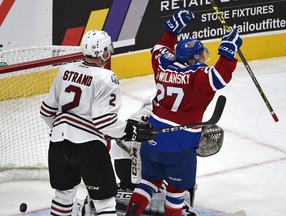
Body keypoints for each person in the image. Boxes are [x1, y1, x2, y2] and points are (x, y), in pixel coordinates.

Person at [125, 8, 242, 216]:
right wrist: (228, 50)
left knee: (148, 182)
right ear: (190, 60)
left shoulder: (162, 65)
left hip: (152, 139)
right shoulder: (198, 76)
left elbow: (159, 47)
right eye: (199, 56)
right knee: (176, 192)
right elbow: (221, 76)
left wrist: (172, 31)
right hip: (181, 145)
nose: (202, 59)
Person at [39, 30, 153, 216]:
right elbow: (104, 122)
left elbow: (46, 111)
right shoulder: (107, 78)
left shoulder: (64, 70)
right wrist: (129, 131)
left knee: (63, 196)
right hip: (89, 149)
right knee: (104, 202)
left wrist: (61, 129)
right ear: (104, 52)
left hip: (58, 145)